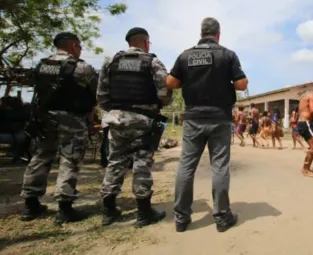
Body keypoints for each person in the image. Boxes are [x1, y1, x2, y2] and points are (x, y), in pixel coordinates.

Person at [167, 17, 247, 233]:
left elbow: (170, 83)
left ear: (201, 33)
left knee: (186, 166)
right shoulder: (227, 55)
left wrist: (189, 80)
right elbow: (240, 84)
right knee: (219, 167)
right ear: (218, 34)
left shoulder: (186, 55)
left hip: (193, 118)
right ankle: (222, 218)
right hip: (220, 118)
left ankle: (181, 219)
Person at [20, 32, 98, 223]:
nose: (80, 50)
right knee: (70, 160)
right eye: (79, 47)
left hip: (44, 119)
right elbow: (98, 91)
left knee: (40, 157)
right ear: (73, 46)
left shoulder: (41, 66)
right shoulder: (82, 68)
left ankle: (30, 205)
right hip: (71, 120)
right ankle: (65, 208)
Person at [98, 27, 171, 227]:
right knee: (141, 164)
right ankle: (143, 212)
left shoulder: (111, 62)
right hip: (143, 121)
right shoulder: (152, 62)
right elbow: (165, 94)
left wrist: (116, 111)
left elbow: (101, 96)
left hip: (117, 120)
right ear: (146, 42)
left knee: (115, 162)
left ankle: (108, 211)